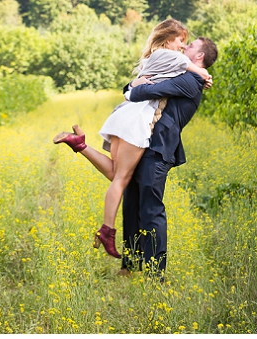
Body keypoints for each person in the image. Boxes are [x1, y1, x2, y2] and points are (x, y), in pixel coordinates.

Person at [52, 20, 212, 259]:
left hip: (154, 144)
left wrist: (135, 87)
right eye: (181, 40)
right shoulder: (180, 65)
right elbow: (139, 88)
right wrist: (134, 86)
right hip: (140, 130)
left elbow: (143, 89)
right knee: (128, 193)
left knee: (139, 198)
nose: (184, 45)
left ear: (199, 55)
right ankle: (123, 252)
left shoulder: (190, 79)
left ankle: (152, 272)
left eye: (189, 44)